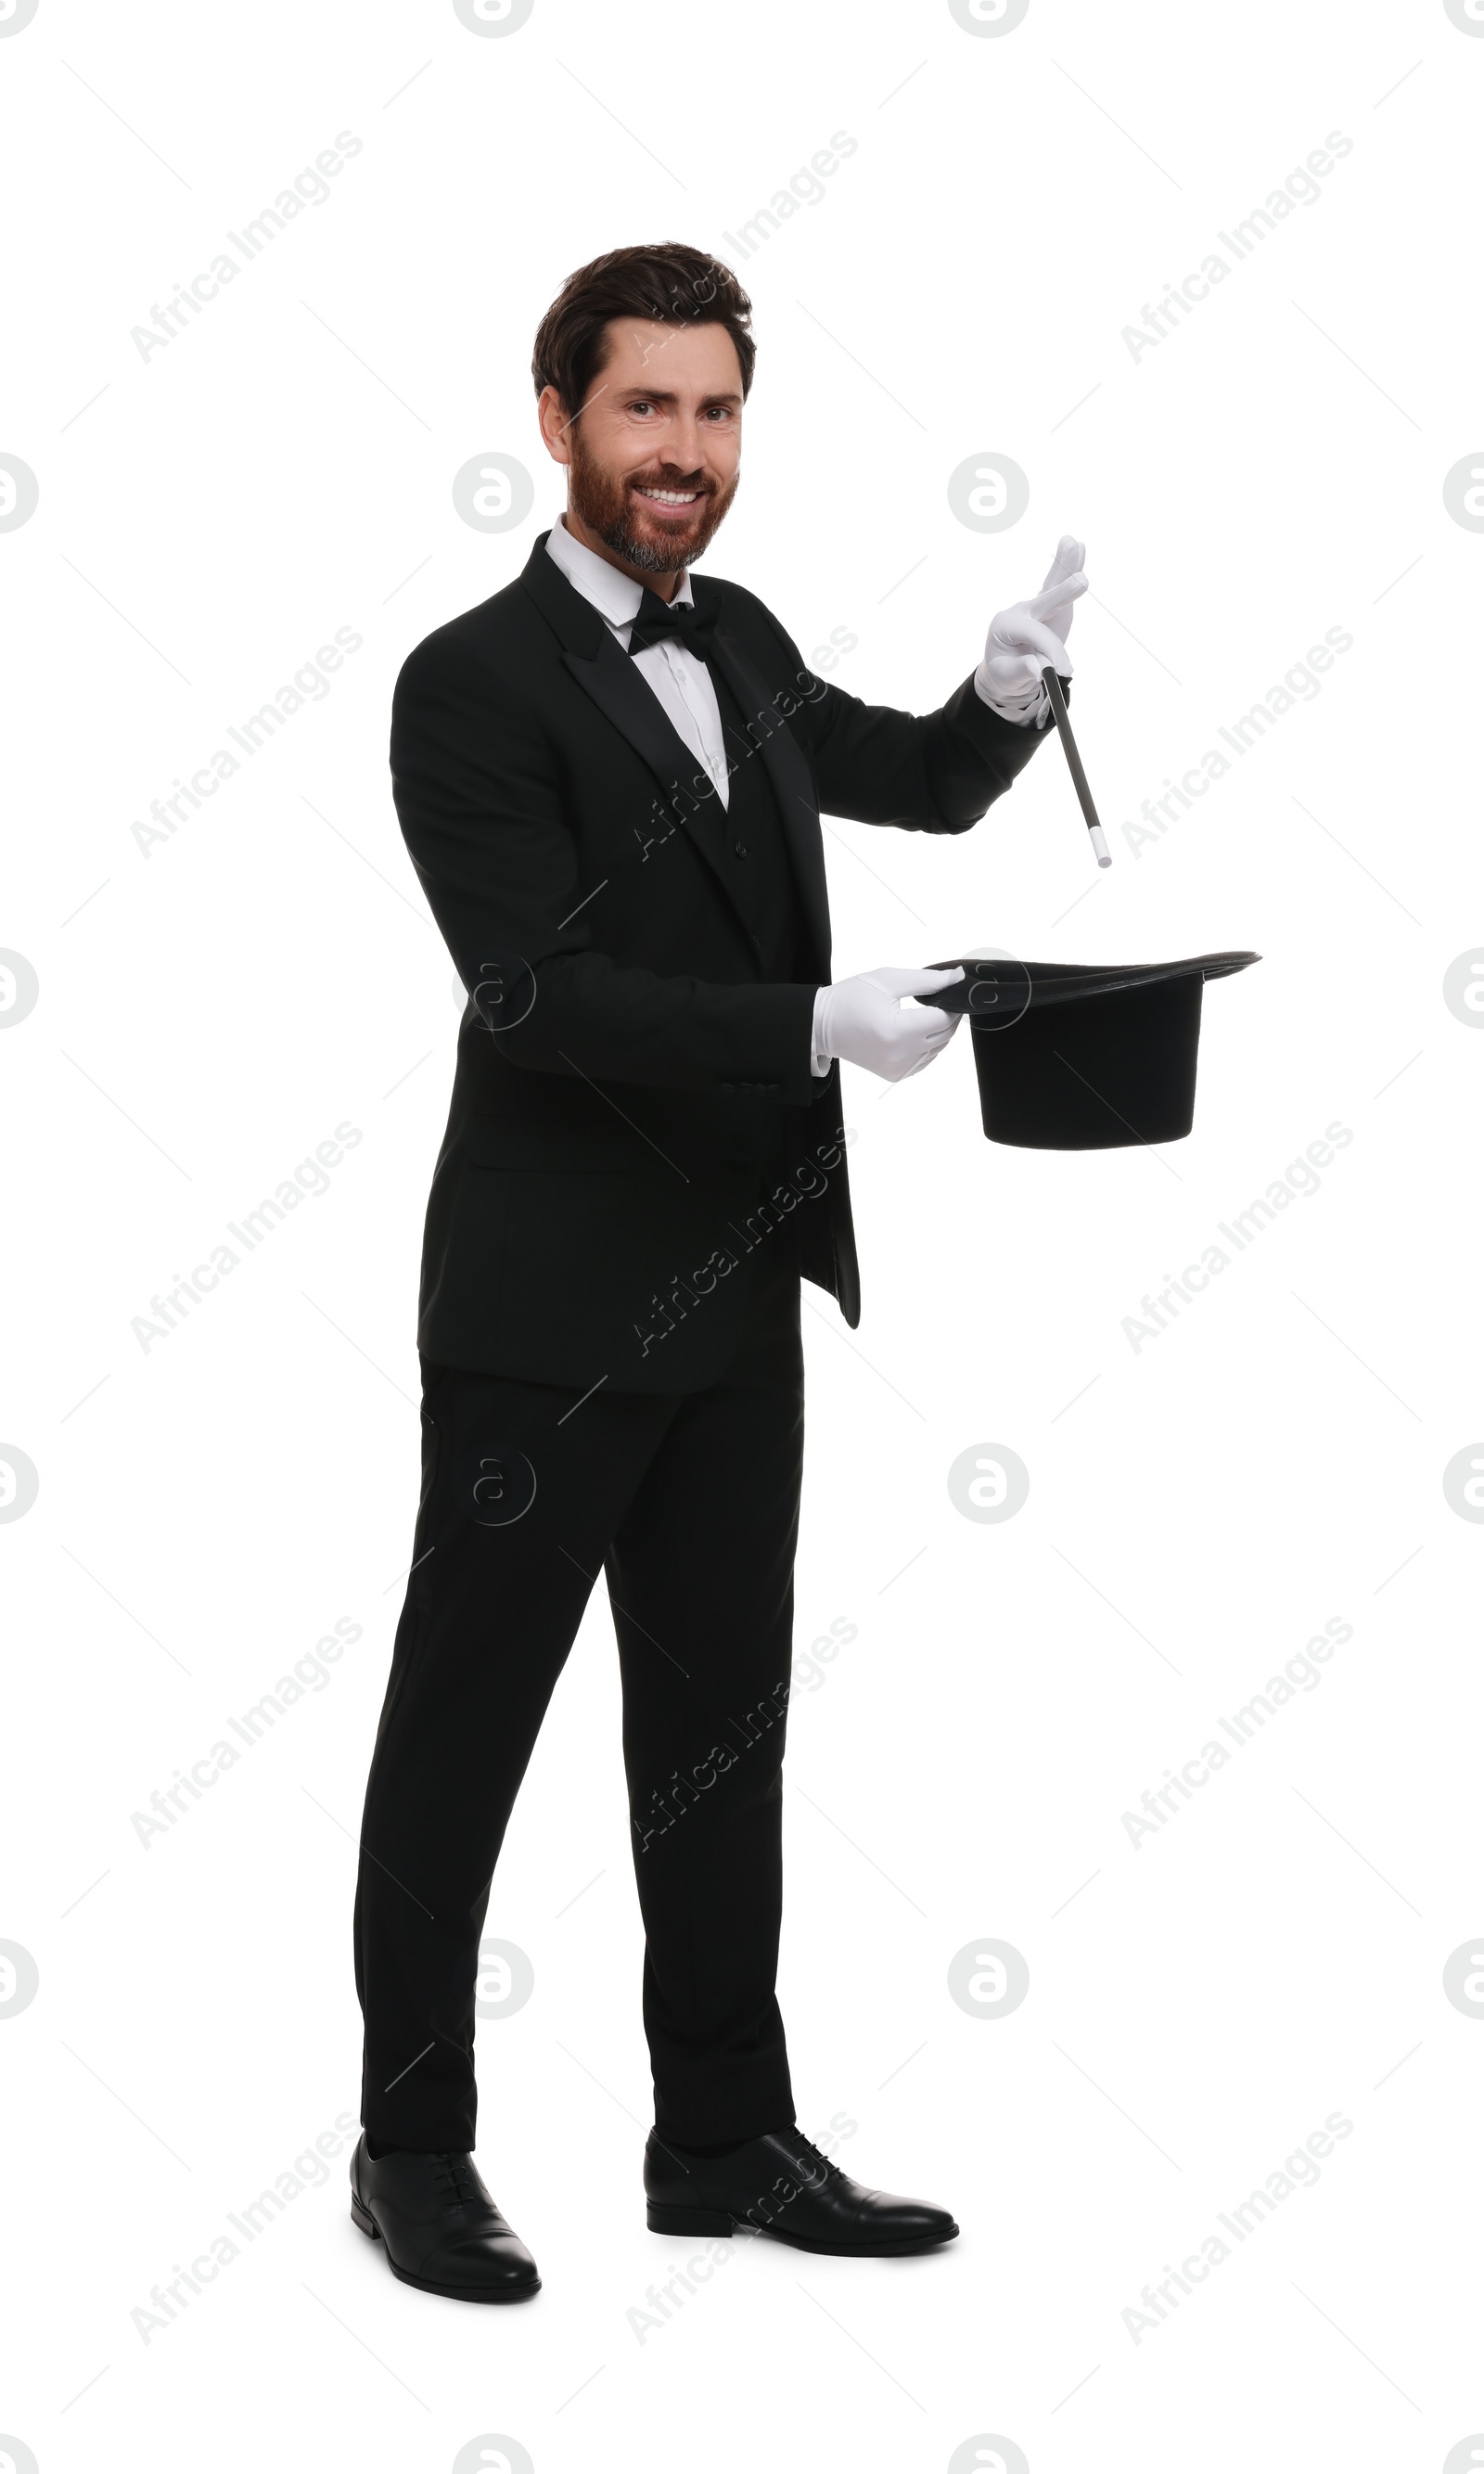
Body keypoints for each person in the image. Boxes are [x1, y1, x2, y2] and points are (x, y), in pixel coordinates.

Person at [350, 240, 1086, 2301]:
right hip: (539, 1312)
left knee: (715, 1735)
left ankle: (720, 2135)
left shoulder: (738, 629)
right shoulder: (466, 684)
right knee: (459, 1734)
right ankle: (410, 2144)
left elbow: (905, 775)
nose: (684, 451)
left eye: (715, 410)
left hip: (735, 1296)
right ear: (558, 418)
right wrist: (806, 1027)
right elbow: (539, 991)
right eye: (645, 408)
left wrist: (1002, 703)